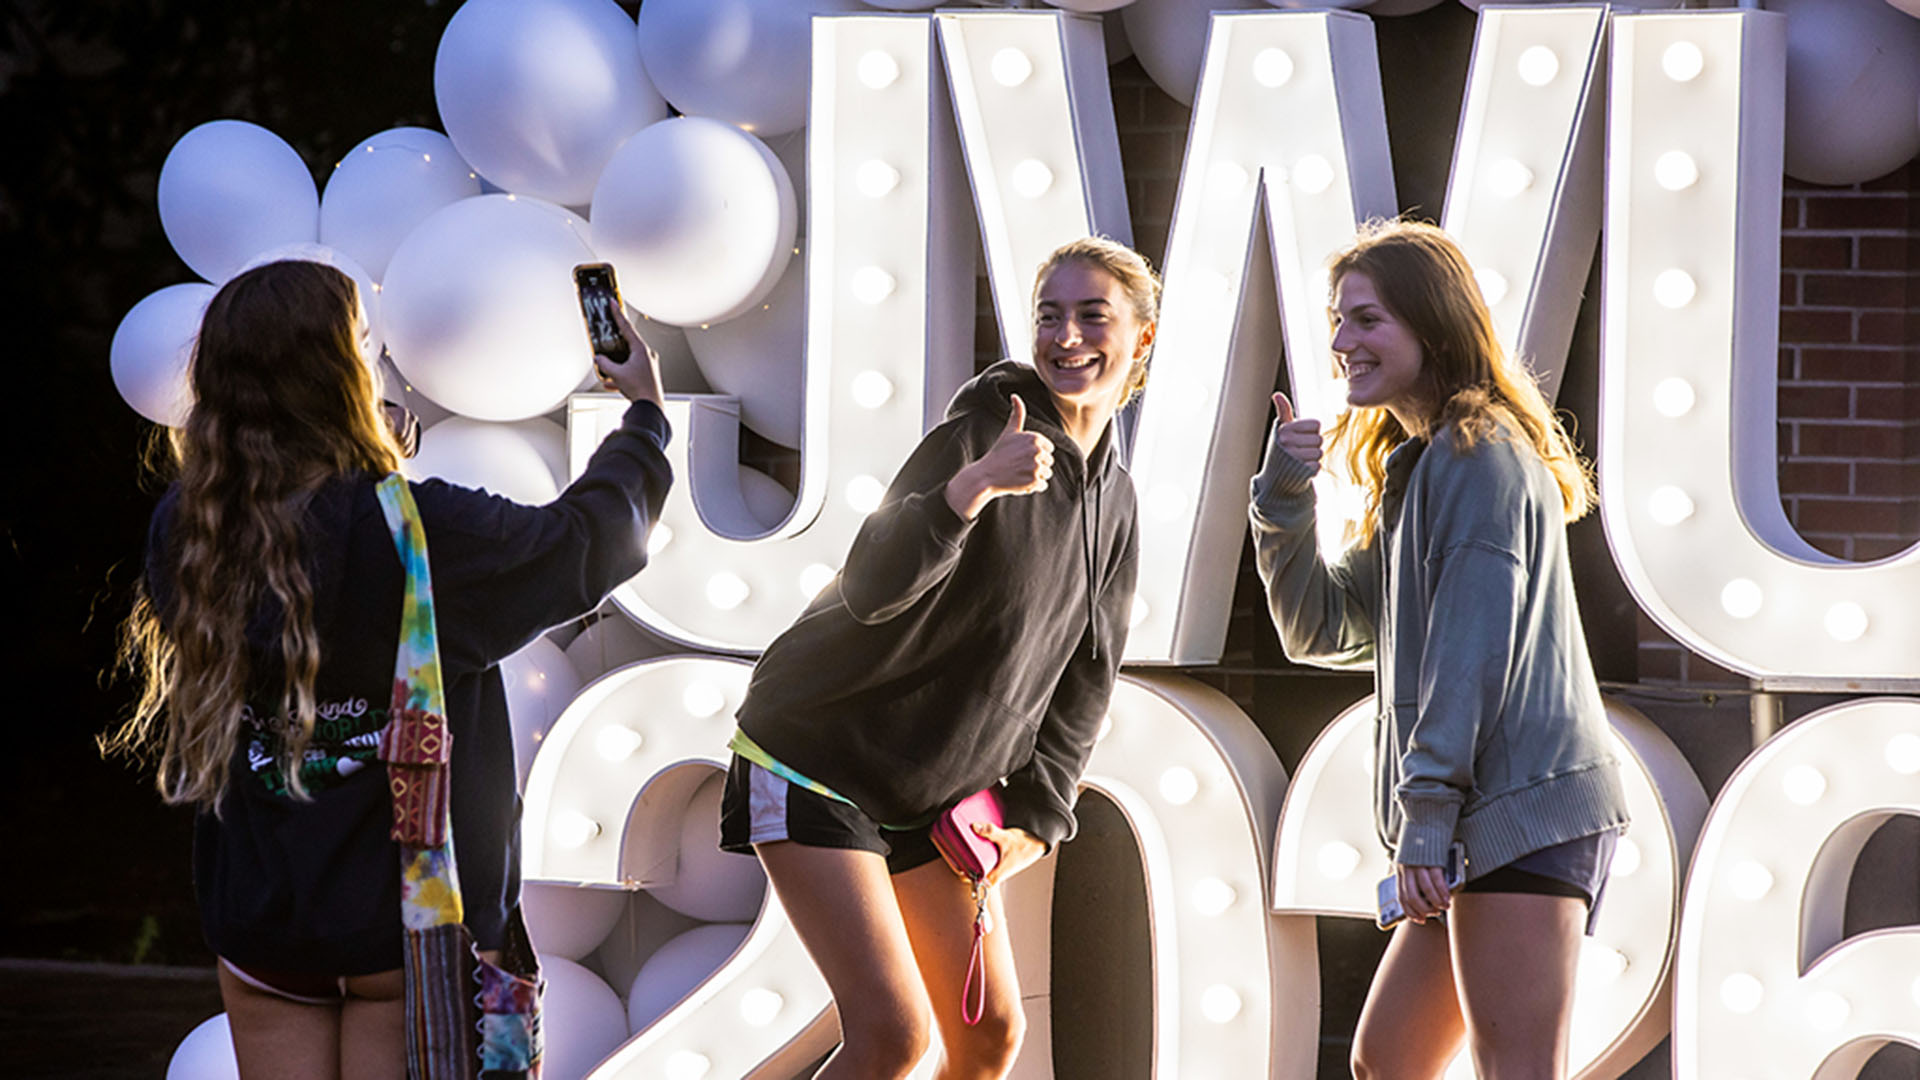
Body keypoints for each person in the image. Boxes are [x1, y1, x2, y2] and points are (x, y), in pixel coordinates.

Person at [108, 259, 672, 1080]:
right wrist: (646, 416)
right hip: (406, 927)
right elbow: (587, 542)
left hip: (264, 917)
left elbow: (306, 554)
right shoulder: (425, 532)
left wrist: (372, 462)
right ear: (344, 372)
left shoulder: (185, 533)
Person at [719, 237, 1155, 1079]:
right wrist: (970, 488)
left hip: (930, 798)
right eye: (1050, 316)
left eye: (1092, 315)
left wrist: (1036, 811)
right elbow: (872, 587)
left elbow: (1087, 676)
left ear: (1140, 338)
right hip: (817, 759)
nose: (1067, 336)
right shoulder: (982, 432)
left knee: (989, 1034)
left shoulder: (1118, 499)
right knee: (893, 1037)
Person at [1248, 220, 1628, 1080]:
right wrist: (1281, 502)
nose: (1342, 341)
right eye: (1338, 320)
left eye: (1367, 319)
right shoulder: (1421, 467)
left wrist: (1425, 820)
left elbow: (1471, 657)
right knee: (1389, 1058)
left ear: (1433, 324)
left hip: (1518, 813)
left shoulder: (1480, 456)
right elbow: (1323, 630)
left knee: (1516, 1068)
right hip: (1472, 821)